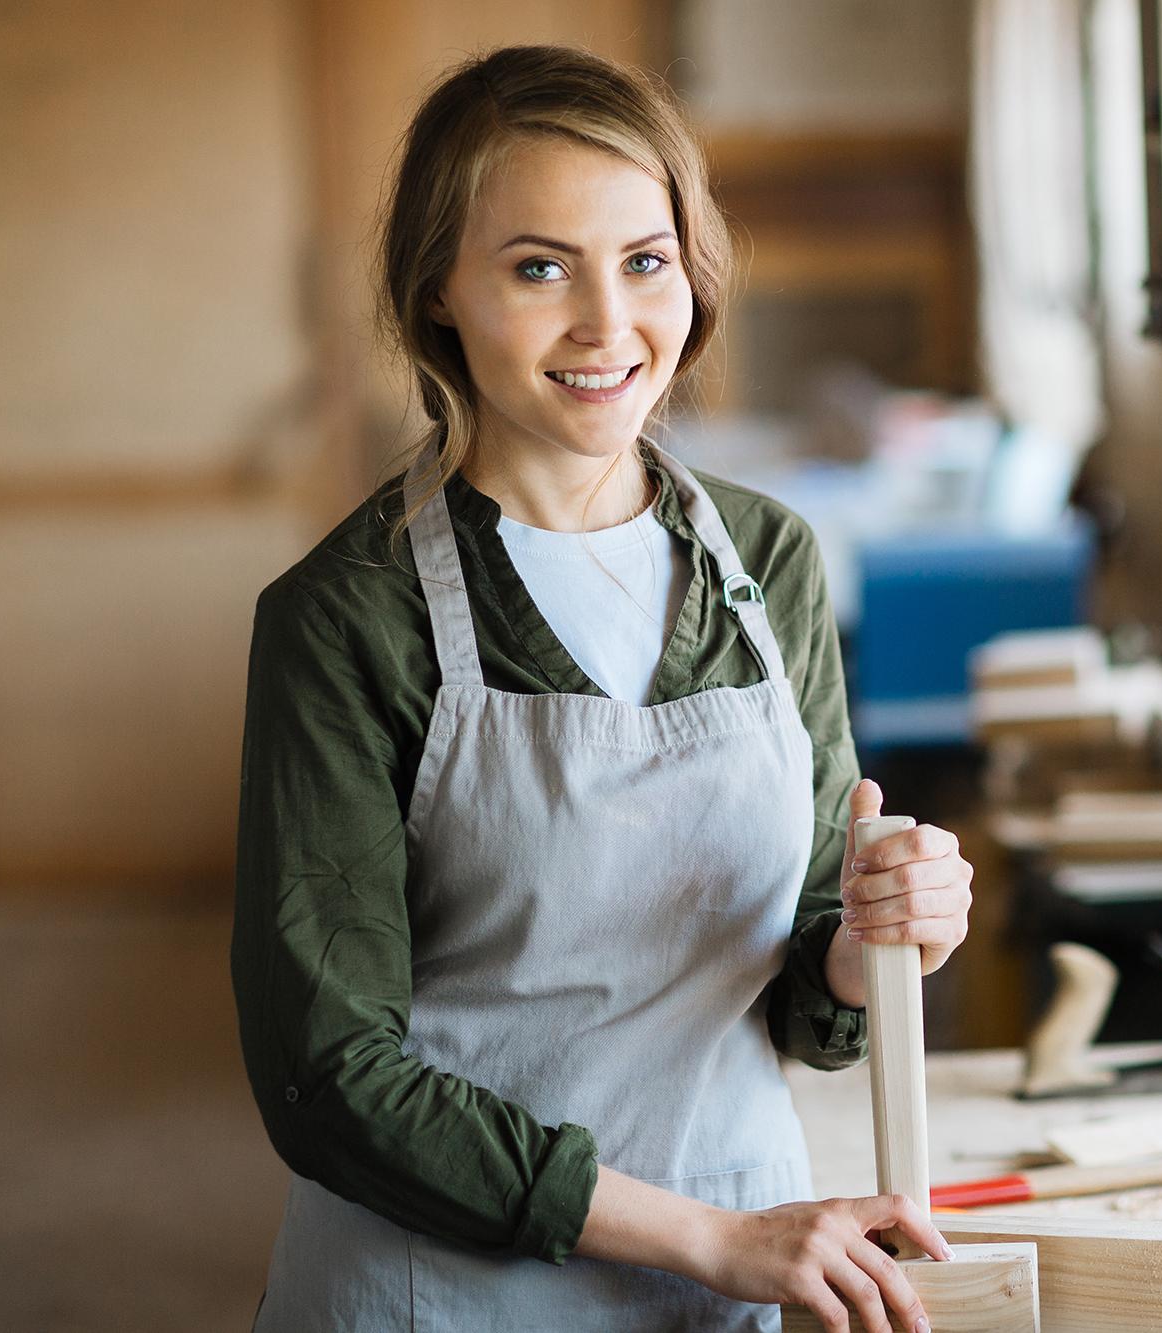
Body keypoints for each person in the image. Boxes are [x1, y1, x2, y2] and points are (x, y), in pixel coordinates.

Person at [231, 43, 973, 1333]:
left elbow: (802, 982)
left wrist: (878, 940)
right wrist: (706, 1239)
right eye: (539, 268)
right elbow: (327, 1079)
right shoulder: (348, 616)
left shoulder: (769, 563)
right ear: (437, 291)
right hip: (448, 1294)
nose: (607, 324)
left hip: (737, 1277)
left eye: (645, 261)